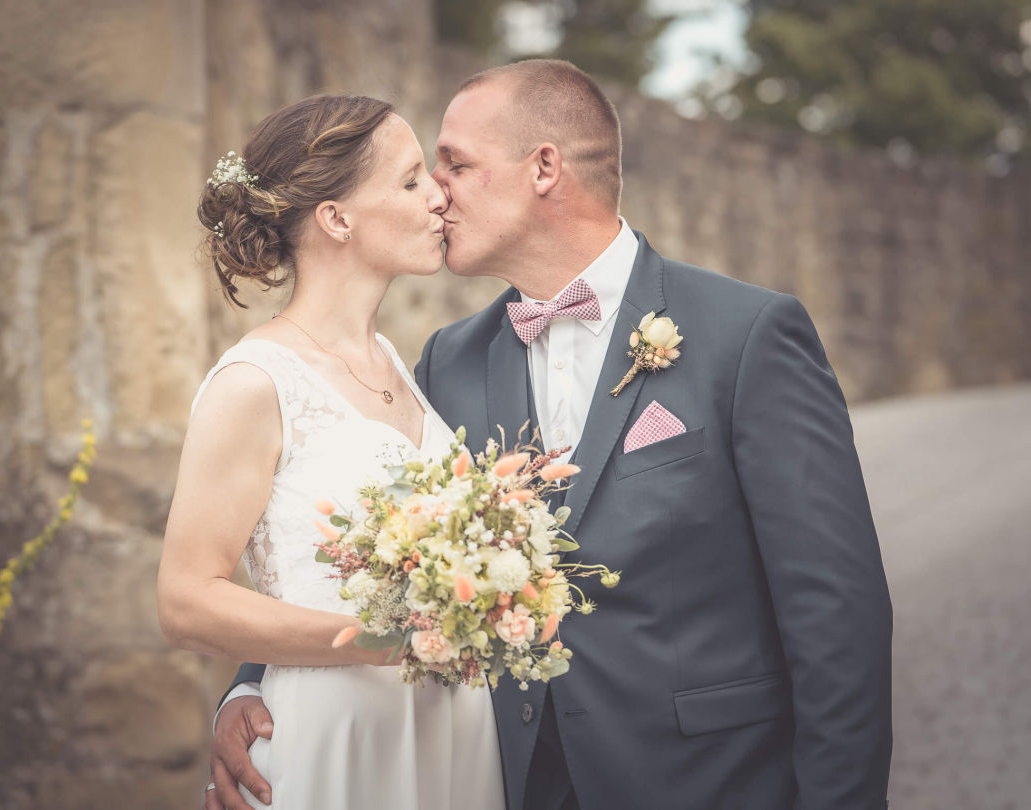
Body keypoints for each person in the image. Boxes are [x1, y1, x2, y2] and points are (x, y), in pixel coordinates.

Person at [212, 60, 893, 810]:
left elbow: (837, 617)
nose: (437, 193)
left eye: (457, 165)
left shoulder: (747, 335)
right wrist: (254, 684)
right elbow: (360, 536)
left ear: (544, 168)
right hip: (501, 780)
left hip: (706, 782)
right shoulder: (448, 360)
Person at [156, 95, 505, 810]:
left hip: (446, 731)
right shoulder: (254, 383)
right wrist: (379, 641)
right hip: (335, 737)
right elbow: (185, 602)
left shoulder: (394, 362)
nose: (439, 195)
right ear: (337, 219)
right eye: (411, 181)